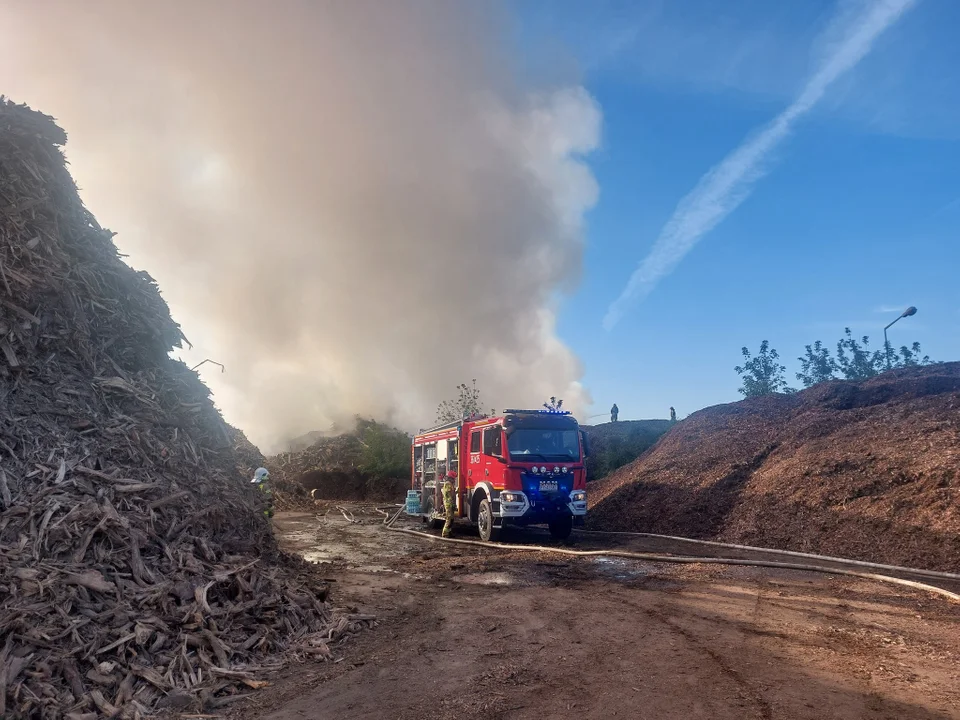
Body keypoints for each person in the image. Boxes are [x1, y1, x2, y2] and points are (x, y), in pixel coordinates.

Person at [441, 470, 456, 538]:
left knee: (452, 519)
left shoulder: (449, 484)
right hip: (448, 504)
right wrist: (452, 504)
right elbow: (449, 495)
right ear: (450, 478)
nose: (454, 480)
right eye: (453, 478)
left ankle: (449, 532)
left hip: (450, 504)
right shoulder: (448, 484)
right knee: (449, 519)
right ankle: (445, 533)